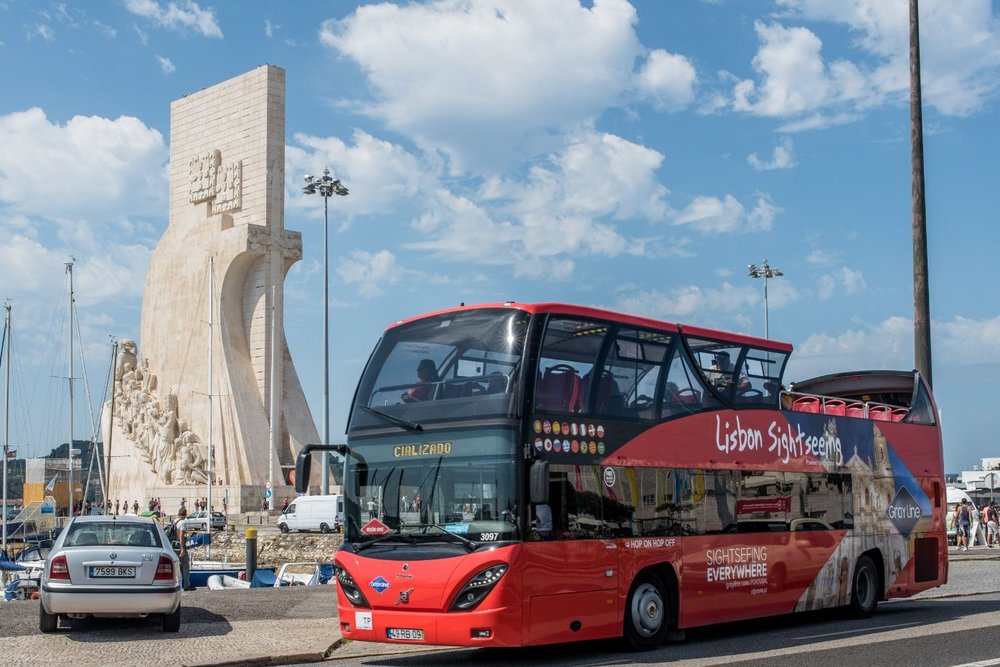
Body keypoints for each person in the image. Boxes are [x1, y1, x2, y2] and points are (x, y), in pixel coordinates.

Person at [177, 523, 193, 591]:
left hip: (174, 546)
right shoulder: (182, 523)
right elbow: (181, 536)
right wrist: (182, 548)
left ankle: (178, 584)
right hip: (180, 547)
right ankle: (186, 585)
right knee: (185, 564)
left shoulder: (175, 522)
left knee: (178, 566)